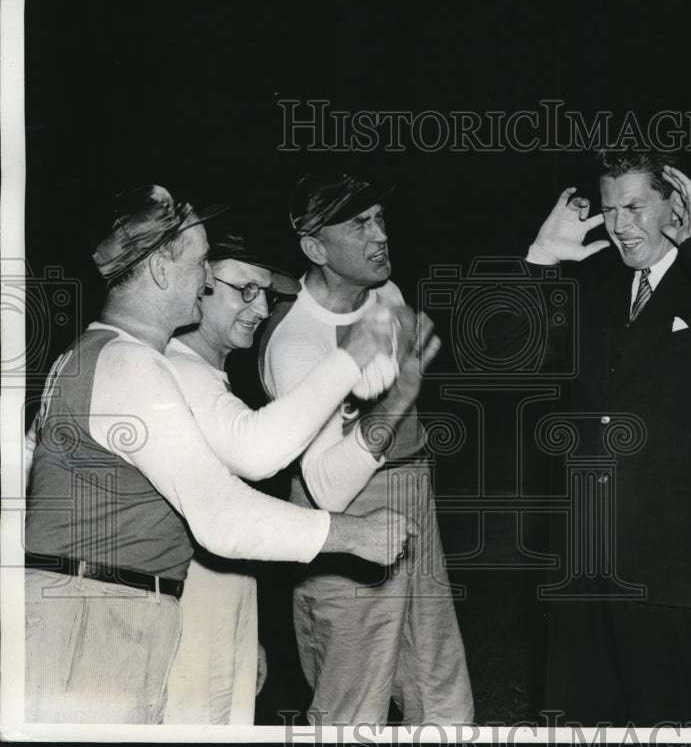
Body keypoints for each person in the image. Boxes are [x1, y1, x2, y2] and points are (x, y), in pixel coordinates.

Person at [23, 185, 415, 724]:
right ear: (160, 268)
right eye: (201, 261)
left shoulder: (98, 356)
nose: (206, 279)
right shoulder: (127, 365)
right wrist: (354, 534)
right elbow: (222, 514)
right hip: (97, 614)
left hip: (100, 610)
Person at [501, 150, 691, 725]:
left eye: (635, 206)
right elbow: (508, 356)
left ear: (676, 205)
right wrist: (541, 258)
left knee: (673, 723)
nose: (619, 225)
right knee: (577, 721)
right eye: (610, 209)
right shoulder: (597, 286)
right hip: (585, 566)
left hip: (675, 569)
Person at [162, 227, 403, 724]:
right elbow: (258, 453)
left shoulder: (211, 379)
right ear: (197, 283)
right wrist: (352, 358)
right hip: (177, 616)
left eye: (266, 294)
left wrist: (246, 633)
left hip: (219, 606)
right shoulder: (173, 372)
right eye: (243, 289)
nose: (261, 307)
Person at [260, 171, 474, 726]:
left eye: (380, 218)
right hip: (345, 518)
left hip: (412, 491)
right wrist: (402, 394)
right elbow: (328, 484)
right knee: (353, 709)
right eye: (359, 224)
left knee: (443, 690)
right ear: (315, 246)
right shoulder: (297, 341)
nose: (380, 234)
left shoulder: (386, 295)